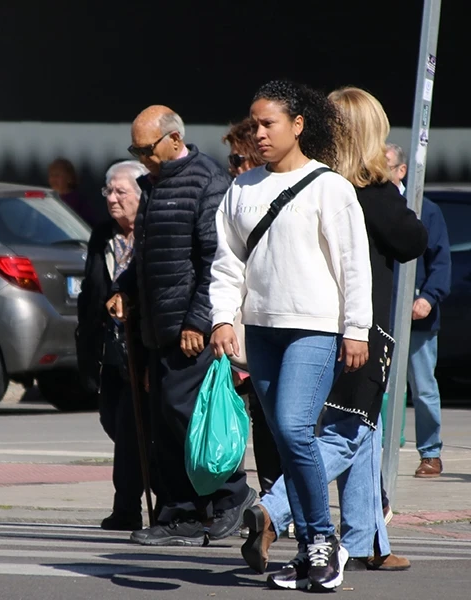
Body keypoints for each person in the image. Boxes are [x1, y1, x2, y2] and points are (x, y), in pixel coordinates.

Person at [209, 80, 373, 592]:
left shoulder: (330, 187)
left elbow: (354, 266)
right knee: (283, 439)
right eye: (253, 124)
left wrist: (356, 329)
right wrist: (220, 319)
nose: (258, 133)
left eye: (268, 123)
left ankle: (323, 541)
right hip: (260, 329)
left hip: (315, 328)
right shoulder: (242, 188)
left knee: (294, 427)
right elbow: (227, 262)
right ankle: (306, 551)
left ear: (297, 126)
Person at [106, 105, 256, 546]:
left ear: (173, 140)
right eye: (133, 148)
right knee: (166, 423)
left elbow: (216, 260)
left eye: (145, 148)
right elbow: (148, 254)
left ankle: (232, 495)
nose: (140, 156)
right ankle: (181, 513)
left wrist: (198, 320)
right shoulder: (152, 185)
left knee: (188, 418)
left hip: (189, 330)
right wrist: (124, 287)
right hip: (156, 327)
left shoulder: (208, 181)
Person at [77, 159, 154, 531]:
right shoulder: (101, 235)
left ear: (141, 196)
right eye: (108, 190)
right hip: (109, 350)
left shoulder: (152, 234)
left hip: (143, 349)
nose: (111, 198)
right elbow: (89, 293)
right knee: (113, 421)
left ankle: (127, 508)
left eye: (121, 191)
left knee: (128, 428)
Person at [221, 118, 281, 498]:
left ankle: (283, 501)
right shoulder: (234, 195)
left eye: (236, 157)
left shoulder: (266, 194)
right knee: (259, 416)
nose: (232, 166)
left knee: (279, 417)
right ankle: (272, 498)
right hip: (242, 325)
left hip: (269, 321)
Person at [386, 142, 452, 479]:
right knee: (381, 388)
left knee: (423, 388)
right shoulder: (369, 206)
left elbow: (441, 262)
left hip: (417, 318)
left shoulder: (425, 210)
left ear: (401, 171)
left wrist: (428, 297)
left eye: (385, 165)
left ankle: (431, 453)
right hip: (379, 316)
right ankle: (383, 448)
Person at [49, 157, 94, 226]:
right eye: (51, 175)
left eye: (57, 176)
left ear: (69, 178)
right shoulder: (48, 199)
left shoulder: (78, 201)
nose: (54, 179)